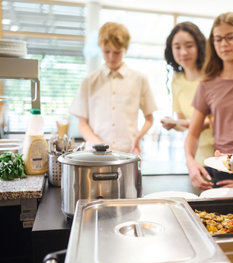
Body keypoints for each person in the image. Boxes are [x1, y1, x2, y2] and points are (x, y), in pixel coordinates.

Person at [185, 12, 233, 191]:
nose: (224, 44)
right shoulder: (207, 84)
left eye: (230, 37)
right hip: (222, 169)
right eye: (218, 39)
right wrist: (191, 163)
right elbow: (193, 134)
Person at [70, 22, 157, 154]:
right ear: (100, 48)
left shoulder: (139, 79)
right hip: (95, 153)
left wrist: (138, 138)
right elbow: (82, 124)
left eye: (117, 52)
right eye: (106, 51)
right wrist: (101, 145)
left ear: (125, 49)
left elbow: (149, 118)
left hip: (129, 153)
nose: (111, 57)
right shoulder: (89, 81)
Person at [161, 21, 214, 164]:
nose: (183, 52)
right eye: (177, 47)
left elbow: (227, 118)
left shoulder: (212, 76)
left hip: (221, 156)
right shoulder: (176, 80)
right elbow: (183, 122)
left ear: (199, 46)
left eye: (189, 46)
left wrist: (200, 123)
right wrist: (173, 124)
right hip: (197, 158)